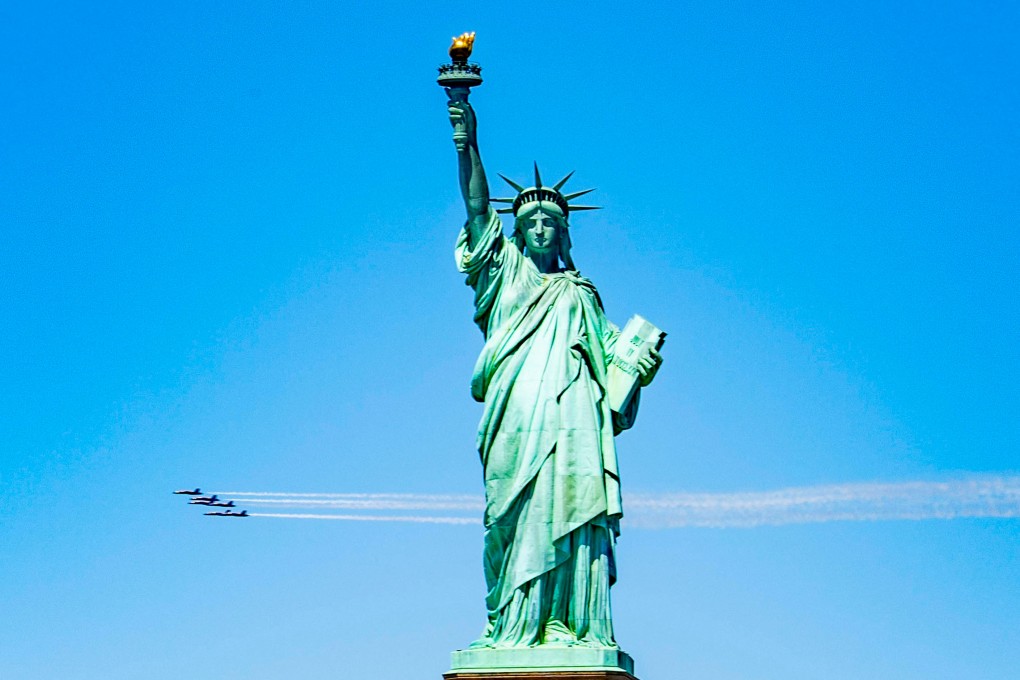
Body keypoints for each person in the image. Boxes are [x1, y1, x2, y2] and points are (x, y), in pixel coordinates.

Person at [448, 94, 662, 649]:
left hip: (571, 421)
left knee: (568, 505)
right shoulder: (505, 275)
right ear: (516, 233)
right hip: (515, 412)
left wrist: (640, 361)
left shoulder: (580, 292)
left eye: (550, 222)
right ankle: (511, 626)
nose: (540, 229)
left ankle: (565, 622)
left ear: (564, 233)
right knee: (508, 516)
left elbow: (613, 357)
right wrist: (465, 135)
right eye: (530, 222)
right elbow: (476, 209)